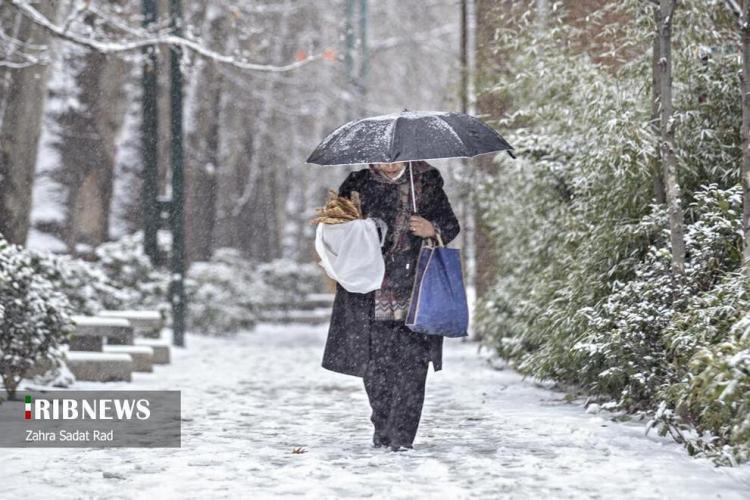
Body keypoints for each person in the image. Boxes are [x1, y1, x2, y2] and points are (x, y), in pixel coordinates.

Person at [321, 160, 460, 452]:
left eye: (394, 156)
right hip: (369, 291)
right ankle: (383, 426)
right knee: (376, 369)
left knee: (413, 366)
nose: (387, 163)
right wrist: (362, 229)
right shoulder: (357, 183)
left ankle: (402, 436)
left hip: (417, 290)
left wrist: (430, 229)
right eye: (381, 158)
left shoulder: (426, 179)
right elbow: (335, 229)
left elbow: (451, 224)